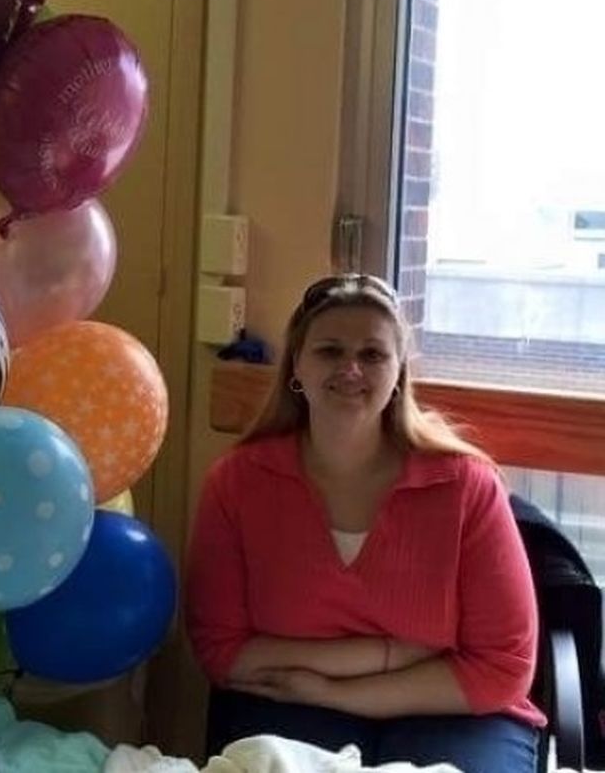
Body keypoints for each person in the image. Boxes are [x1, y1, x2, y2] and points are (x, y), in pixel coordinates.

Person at [185, 273, 543, 773]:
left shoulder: (467, 487)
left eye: (372, 354)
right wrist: (393, 653)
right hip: (290, 702)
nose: (350, 368)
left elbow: (504, 668)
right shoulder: (237, 483)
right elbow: (221, 651)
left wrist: (333, 690)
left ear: (399, 372)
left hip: (453, 710)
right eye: (330, 350)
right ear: (297, 366)